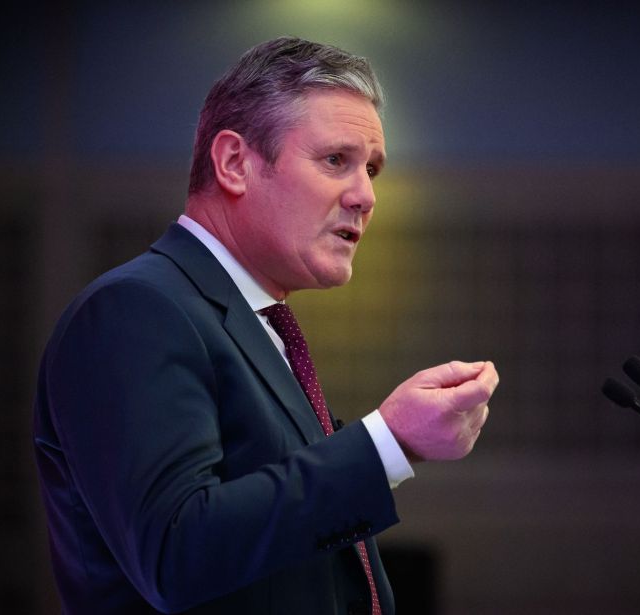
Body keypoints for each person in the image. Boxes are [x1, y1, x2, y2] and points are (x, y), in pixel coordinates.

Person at [33, 36, 499, 615]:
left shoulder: (255, 321)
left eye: (372, 169)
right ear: (234, 164)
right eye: (336, 161)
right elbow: (175, 553)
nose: (365, 196)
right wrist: (387, 442)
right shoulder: (135, 310)